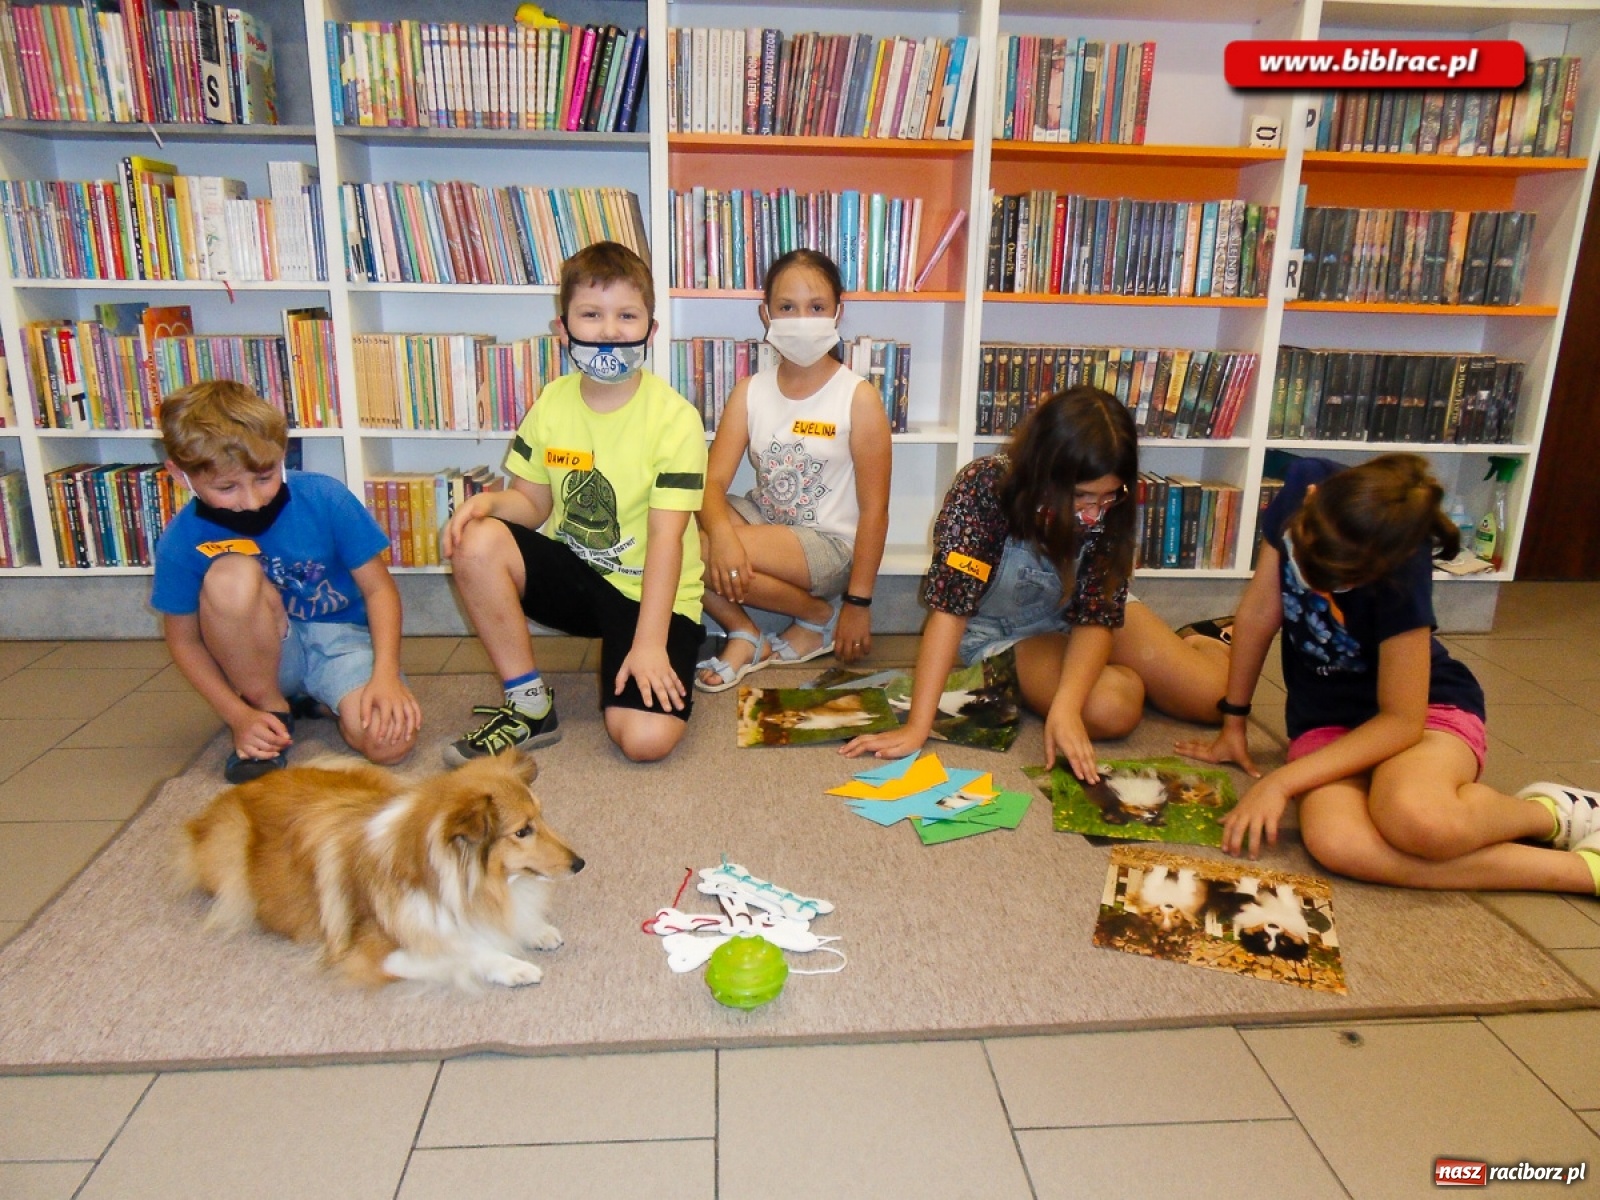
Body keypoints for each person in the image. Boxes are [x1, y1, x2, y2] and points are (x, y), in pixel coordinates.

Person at [1177, 453, 1600, 897]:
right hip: (1327, 723)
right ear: (1313, 500)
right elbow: (1261, 611)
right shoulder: (1305, 486)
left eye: (1338, 583)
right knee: (1338, 843)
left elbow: (1401, 721)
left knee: (1418, 821)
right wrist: (1234, 721)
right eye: (1301, 553)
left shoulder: (1401, 564)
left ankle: (1552, 814)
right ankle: (1576, 869)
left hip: (1424, 713)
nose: (1308, 578)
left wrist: (1283, 781)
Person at [842, 385, 1230, 779]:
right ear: (1045, 473)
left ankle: (1197, 642)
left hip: (1085, 615)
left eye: (1108, 497)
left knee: (1218, 700)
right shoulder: (983, 487)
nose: (1095, 514)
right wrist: (916, 727)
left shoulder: (1114, 504)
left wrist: (1064, 706)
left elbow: (1096, 612)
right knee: (1115, 707)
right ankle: (1111, 668)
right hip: (1005, 633)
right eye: (1081, 497)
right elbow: (951, 611)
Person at [442, 240, 707, 764]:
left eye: (626, 316)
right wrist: (489, 508)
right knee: (476, 541)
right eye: (591, 314)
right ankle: (530, 705)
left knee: (643, 741)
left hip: (654, 593)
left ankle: (657, 649)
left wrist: (651, 642)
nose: (609, 331)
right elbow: (532, 505)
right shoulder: (552, 402)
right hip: (580, 576)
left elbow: (667, 539)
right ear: (562, 328)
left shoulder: (676, 419)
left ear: (651, 330)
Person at [152, 380, 421, 783]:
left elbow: (379, 589)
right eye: (226, 488)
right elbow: (184, 640)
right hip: (262, 657)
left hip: (343, 642)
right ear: (179, 474)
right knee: (231, 574)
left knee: (390, 744)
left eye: (264, 476)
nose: (252, 501)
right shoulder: (181, 539)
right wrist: (237, 715)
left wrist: (385, 674)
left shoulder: (325, 497)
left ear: (282, 452)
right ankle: (270, 707)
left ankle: (322, 700)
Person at [694, 248, 892, 691]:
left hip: (830, 545)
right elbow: (714, 480)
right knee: (674, 529)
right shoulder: (751, 390)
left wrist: (859, 603)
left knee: (699, 553)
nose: (802, 319)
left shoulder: (858, 397)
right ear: (766, 315)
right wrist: (723, 536)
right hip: (766, 523)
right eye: (787, 307)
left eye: (816, 307)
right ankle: (746, 632)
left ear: (838, 312)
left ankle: (824, 614)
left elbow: (876, 511)